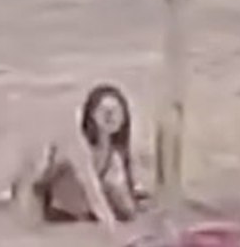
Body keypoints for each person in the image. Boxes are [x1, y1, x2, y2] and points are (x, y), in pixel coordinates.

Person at [9, 83, 147, 233]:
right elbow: (92, 191)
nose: (110, 116)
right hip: (56, 215)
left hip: (80, 215)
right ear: (91, 115)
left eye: (116, 111)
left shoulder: (112, 152)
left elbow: (122, 197)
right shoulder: (77, 144)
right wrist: (119, 235)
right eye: (104, 110)